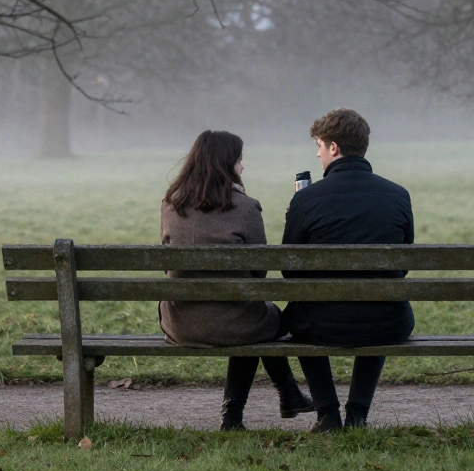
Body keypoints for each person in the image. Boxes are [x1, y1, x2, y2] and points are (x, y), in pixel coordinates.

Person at [159, 130, 314, 430]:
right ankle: (238, 414)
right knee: (255, 321)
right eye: (239, 161)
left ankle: (289, 395)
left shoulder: (170, 204)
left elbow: (169, 264)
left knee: (251, 317)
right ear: (227, 165)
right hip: (236, 323)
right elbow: (259, 274)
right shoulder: (245, 208)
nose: (242, 168)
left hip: (180, 323)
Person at [281, 108, 414, 432]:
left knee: (298, 314)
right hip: (388, 323)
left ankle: (327, 413)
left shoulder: (307, 200)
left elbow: (289, 271)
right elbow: (403, 264)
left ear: (334, 148)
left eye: (319, 146)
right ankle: (357, 414)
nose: (318, 153)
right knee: (378, 297)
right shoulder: (398, 195)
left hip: (321, 324)